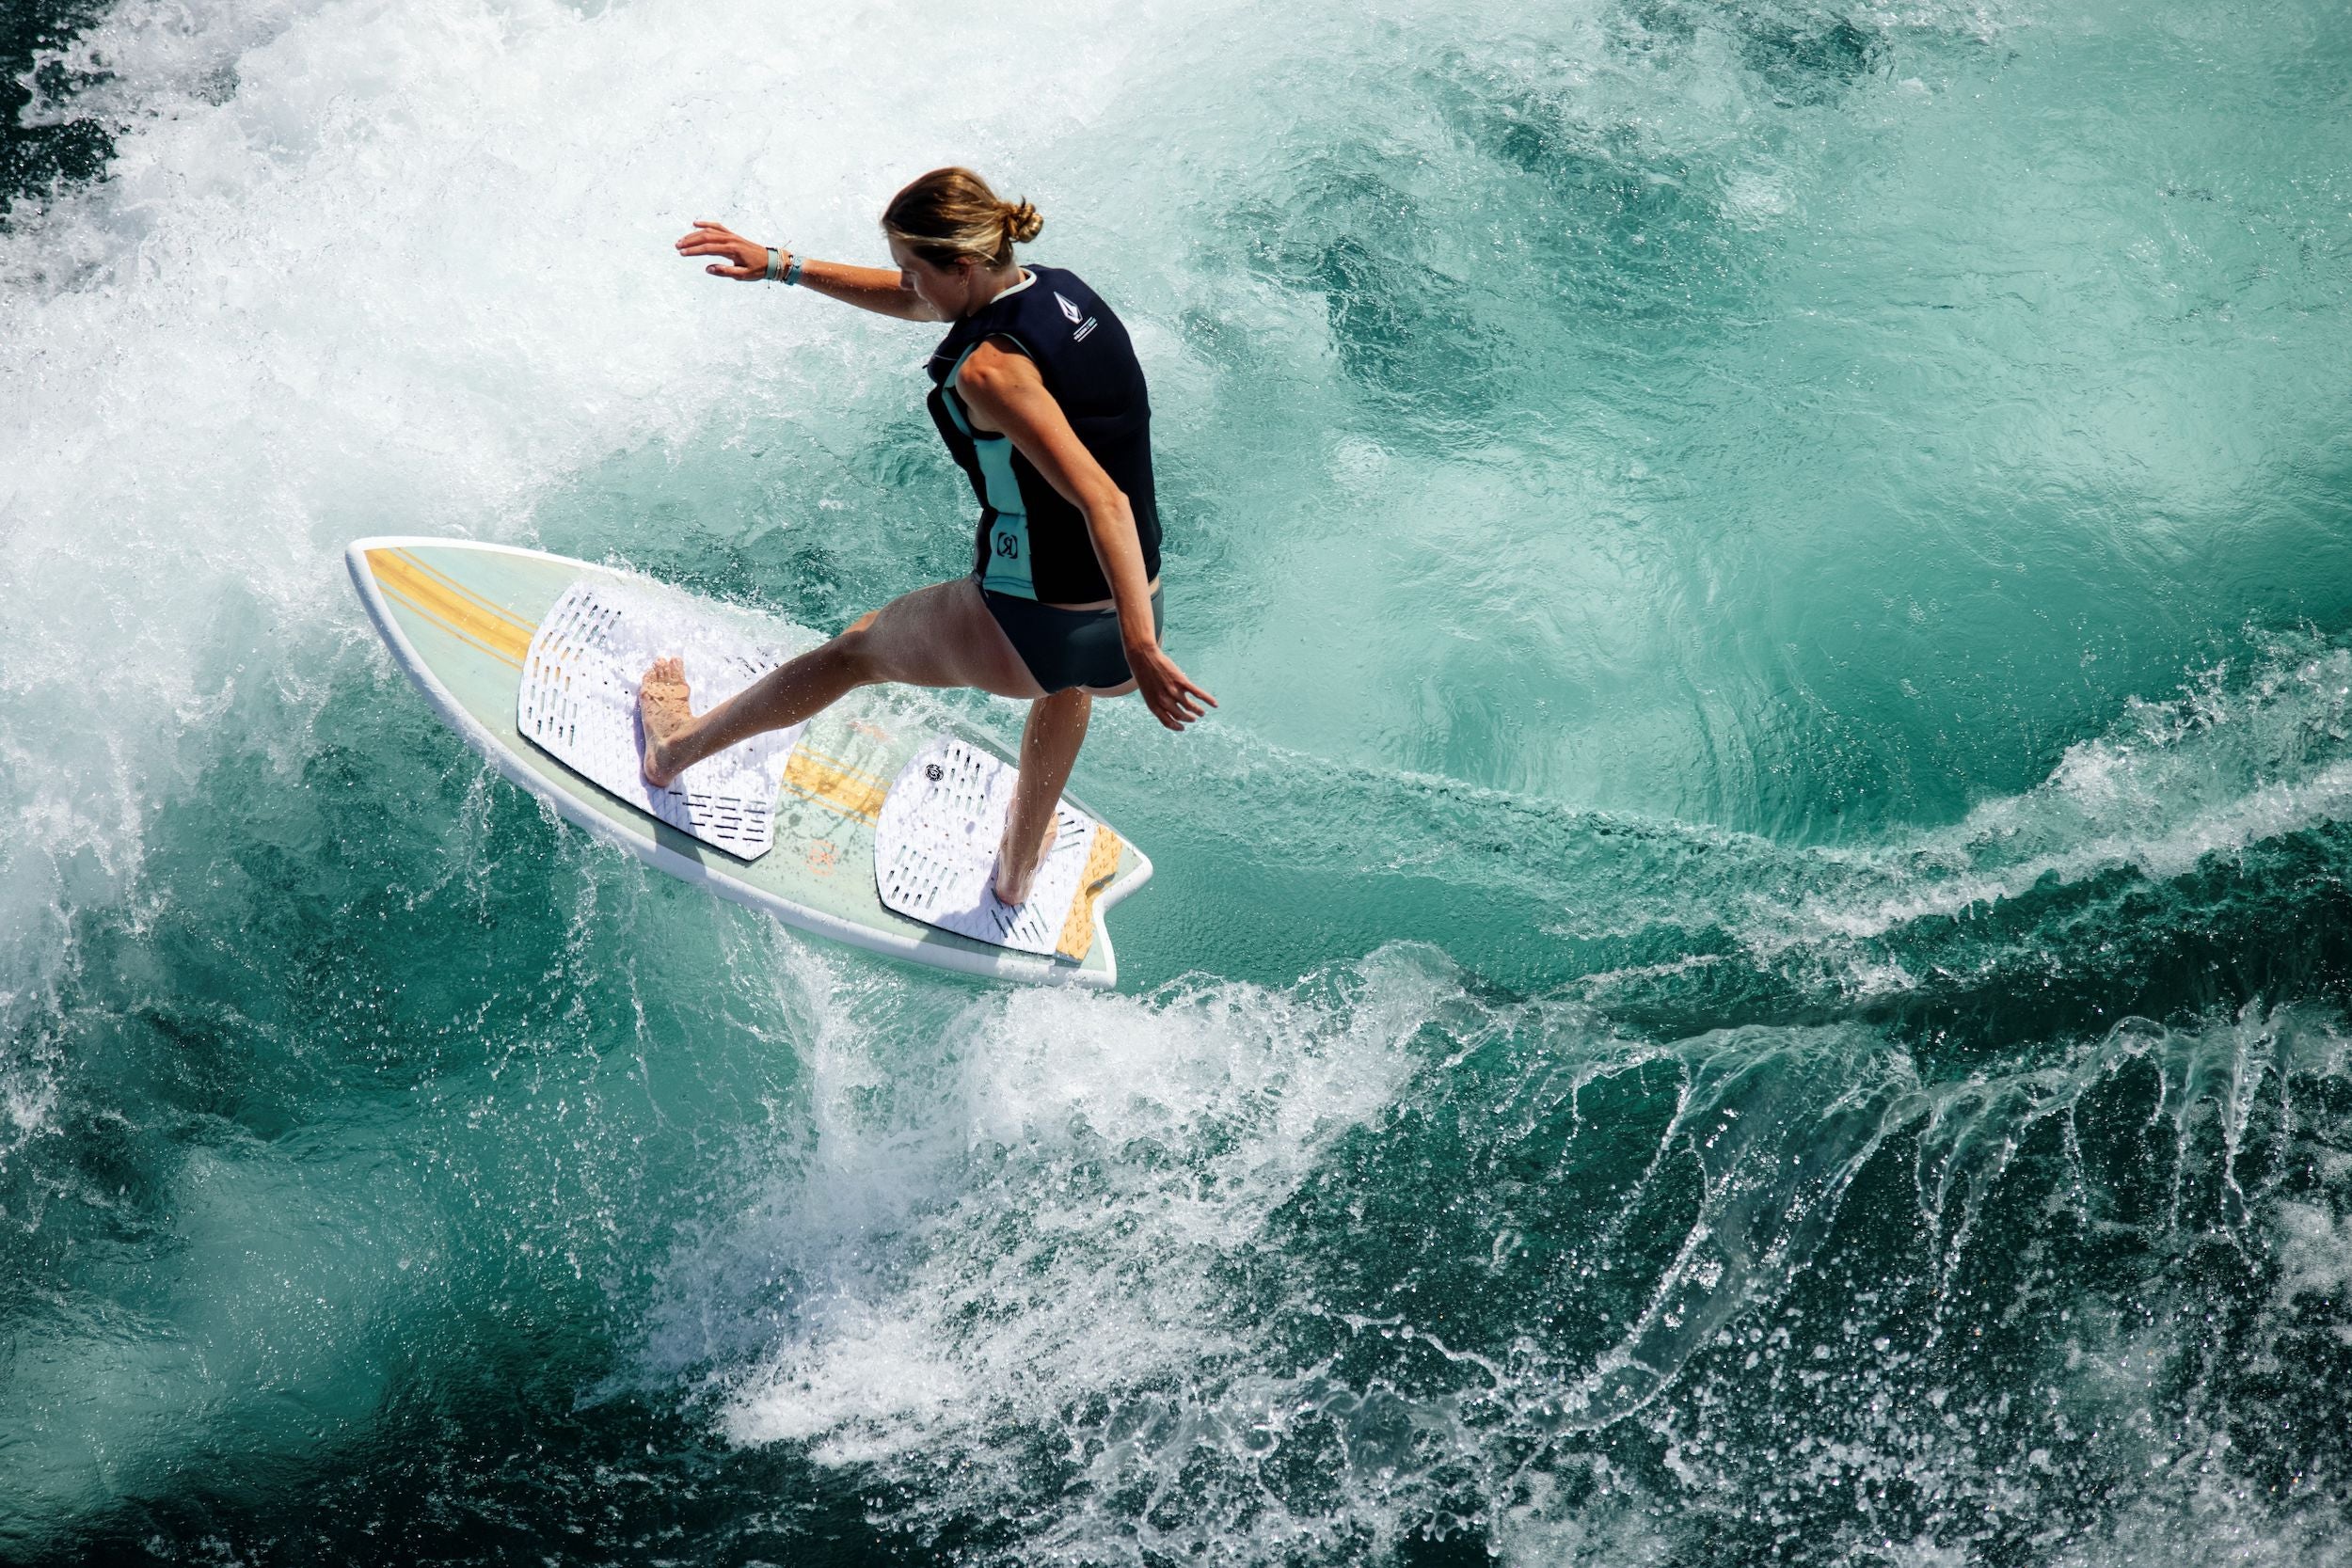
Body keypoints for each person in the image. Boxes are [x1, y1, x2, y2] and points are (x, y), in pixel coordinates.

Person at [641, 167, 1215, 907]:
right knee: (1067, 687)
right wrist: (785, 266)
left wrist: (1146, 650)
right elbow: (928, 305)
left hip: (1036, 621)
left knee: (855, 652)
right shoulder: (1060, 291)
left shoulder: (990, 374)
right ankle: (1015, 871)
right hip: (1135, 593)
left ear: (963, 267)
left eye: (915, 269)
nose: (906, 283)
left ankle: (671, 751)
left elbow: (1101, 498)